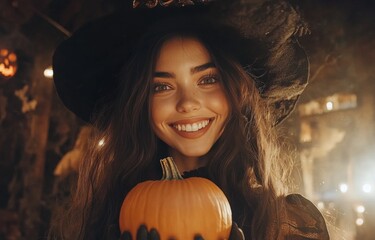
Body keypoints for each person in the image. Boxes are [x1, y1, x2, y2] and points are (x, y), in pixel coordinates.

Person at [50, 0, 330, 239]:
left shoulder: (288, 225)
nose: (187, 103)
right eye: (161, 86)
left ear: (237, 92)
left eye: (208, 79)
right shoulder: (110, 218)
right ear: (139, 104)